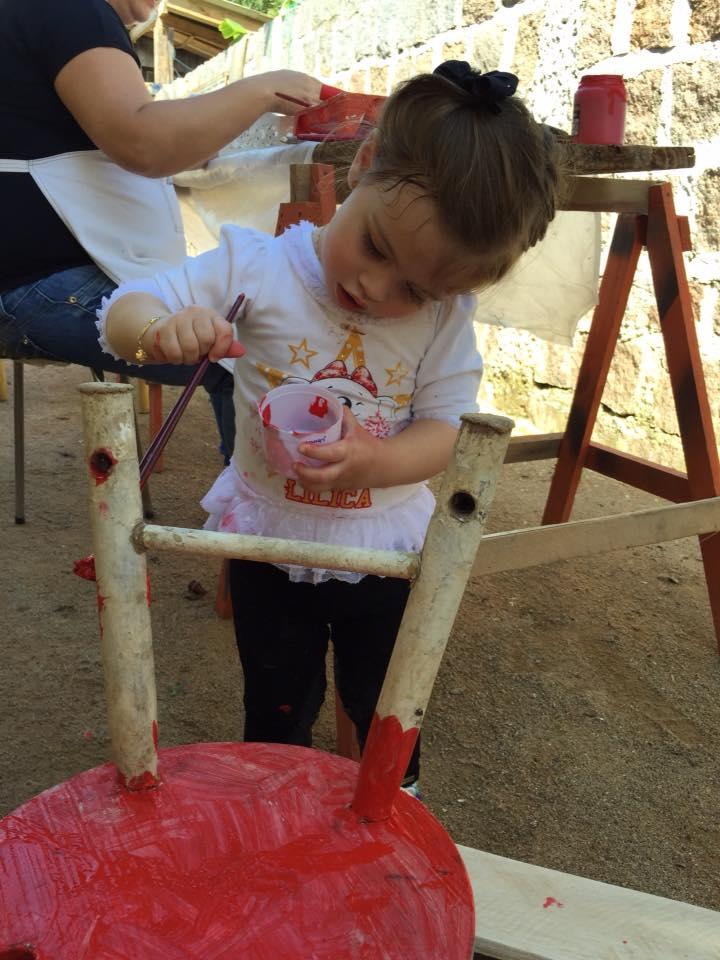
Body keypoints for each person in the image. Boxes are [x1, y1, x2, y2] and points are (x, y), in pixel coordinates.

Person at [98, 62, 562, 792]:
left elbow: (448, 430)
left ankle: (389, 822)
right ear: (364, 165)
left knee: (387, 710)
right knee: (276, 705)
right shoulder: (255, 267)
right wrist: (160, 329)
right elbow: (124, 309)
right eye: (376, 247)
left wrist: (375, 462)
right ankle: (277, 815)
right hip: (267, 539)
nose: (375, 290)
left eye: (414, 289)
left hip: (386, 552)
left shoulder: (444, 318)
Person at [0, 0, 322, 459]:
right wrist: (263, 89)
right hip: (35, 285)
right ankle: (257, 502)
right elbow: (143, 143)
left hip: (27, 279)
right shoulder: (73, 9)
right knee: (256, 343)